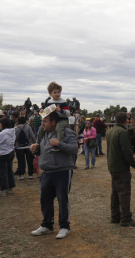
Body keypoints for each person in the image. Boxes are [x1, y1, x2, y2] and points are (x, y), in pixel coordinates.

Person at [30, 110, 78, 239]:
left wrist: (59, 144)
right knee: (45, 199)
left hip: (62, 171)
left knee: (63, 199)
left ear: (53, 122)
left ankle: (64, 227)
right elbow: (45, 151)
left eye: (45, 121)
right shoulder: (44, 134)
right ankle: (47, 225)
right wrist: (35, 149)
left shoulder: (67, 133)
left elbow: (74, 149)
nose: (42, 124)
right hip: (46, 172)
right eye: (42, 121)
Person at [106, 112, 135, 227]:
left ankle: (115, 216)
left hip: (113, 166)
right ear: (125, 120)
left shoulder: (110, 131)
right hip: (121, 167)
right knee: (124, 193)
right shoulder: (122, 132)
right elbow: (127, 152)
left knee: (115, 192)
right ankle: (126, 218)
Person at [37, 82, 70, 151]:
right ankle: (38, 144)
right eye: (55, 93)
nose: (57, 94)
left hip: (63, 120)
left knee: (59, 127)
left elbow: (68, 113)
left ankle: (59, 144)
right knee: (41, 128)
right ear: (50, 93)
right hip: (53, 120)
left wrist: (61, 111)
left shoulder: (63, 102)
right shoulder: (49, 102)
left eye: (59, 92)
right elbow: (46, 112)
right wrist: (42, 111)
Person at [0, 117, 16, 197]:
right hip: (11, 152)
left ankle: (3, 190)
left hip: (3, 153)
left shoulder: (3, 133)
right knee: (9, 170)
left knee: (3, 172)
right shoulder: (12, 131)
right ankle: (10, 187)